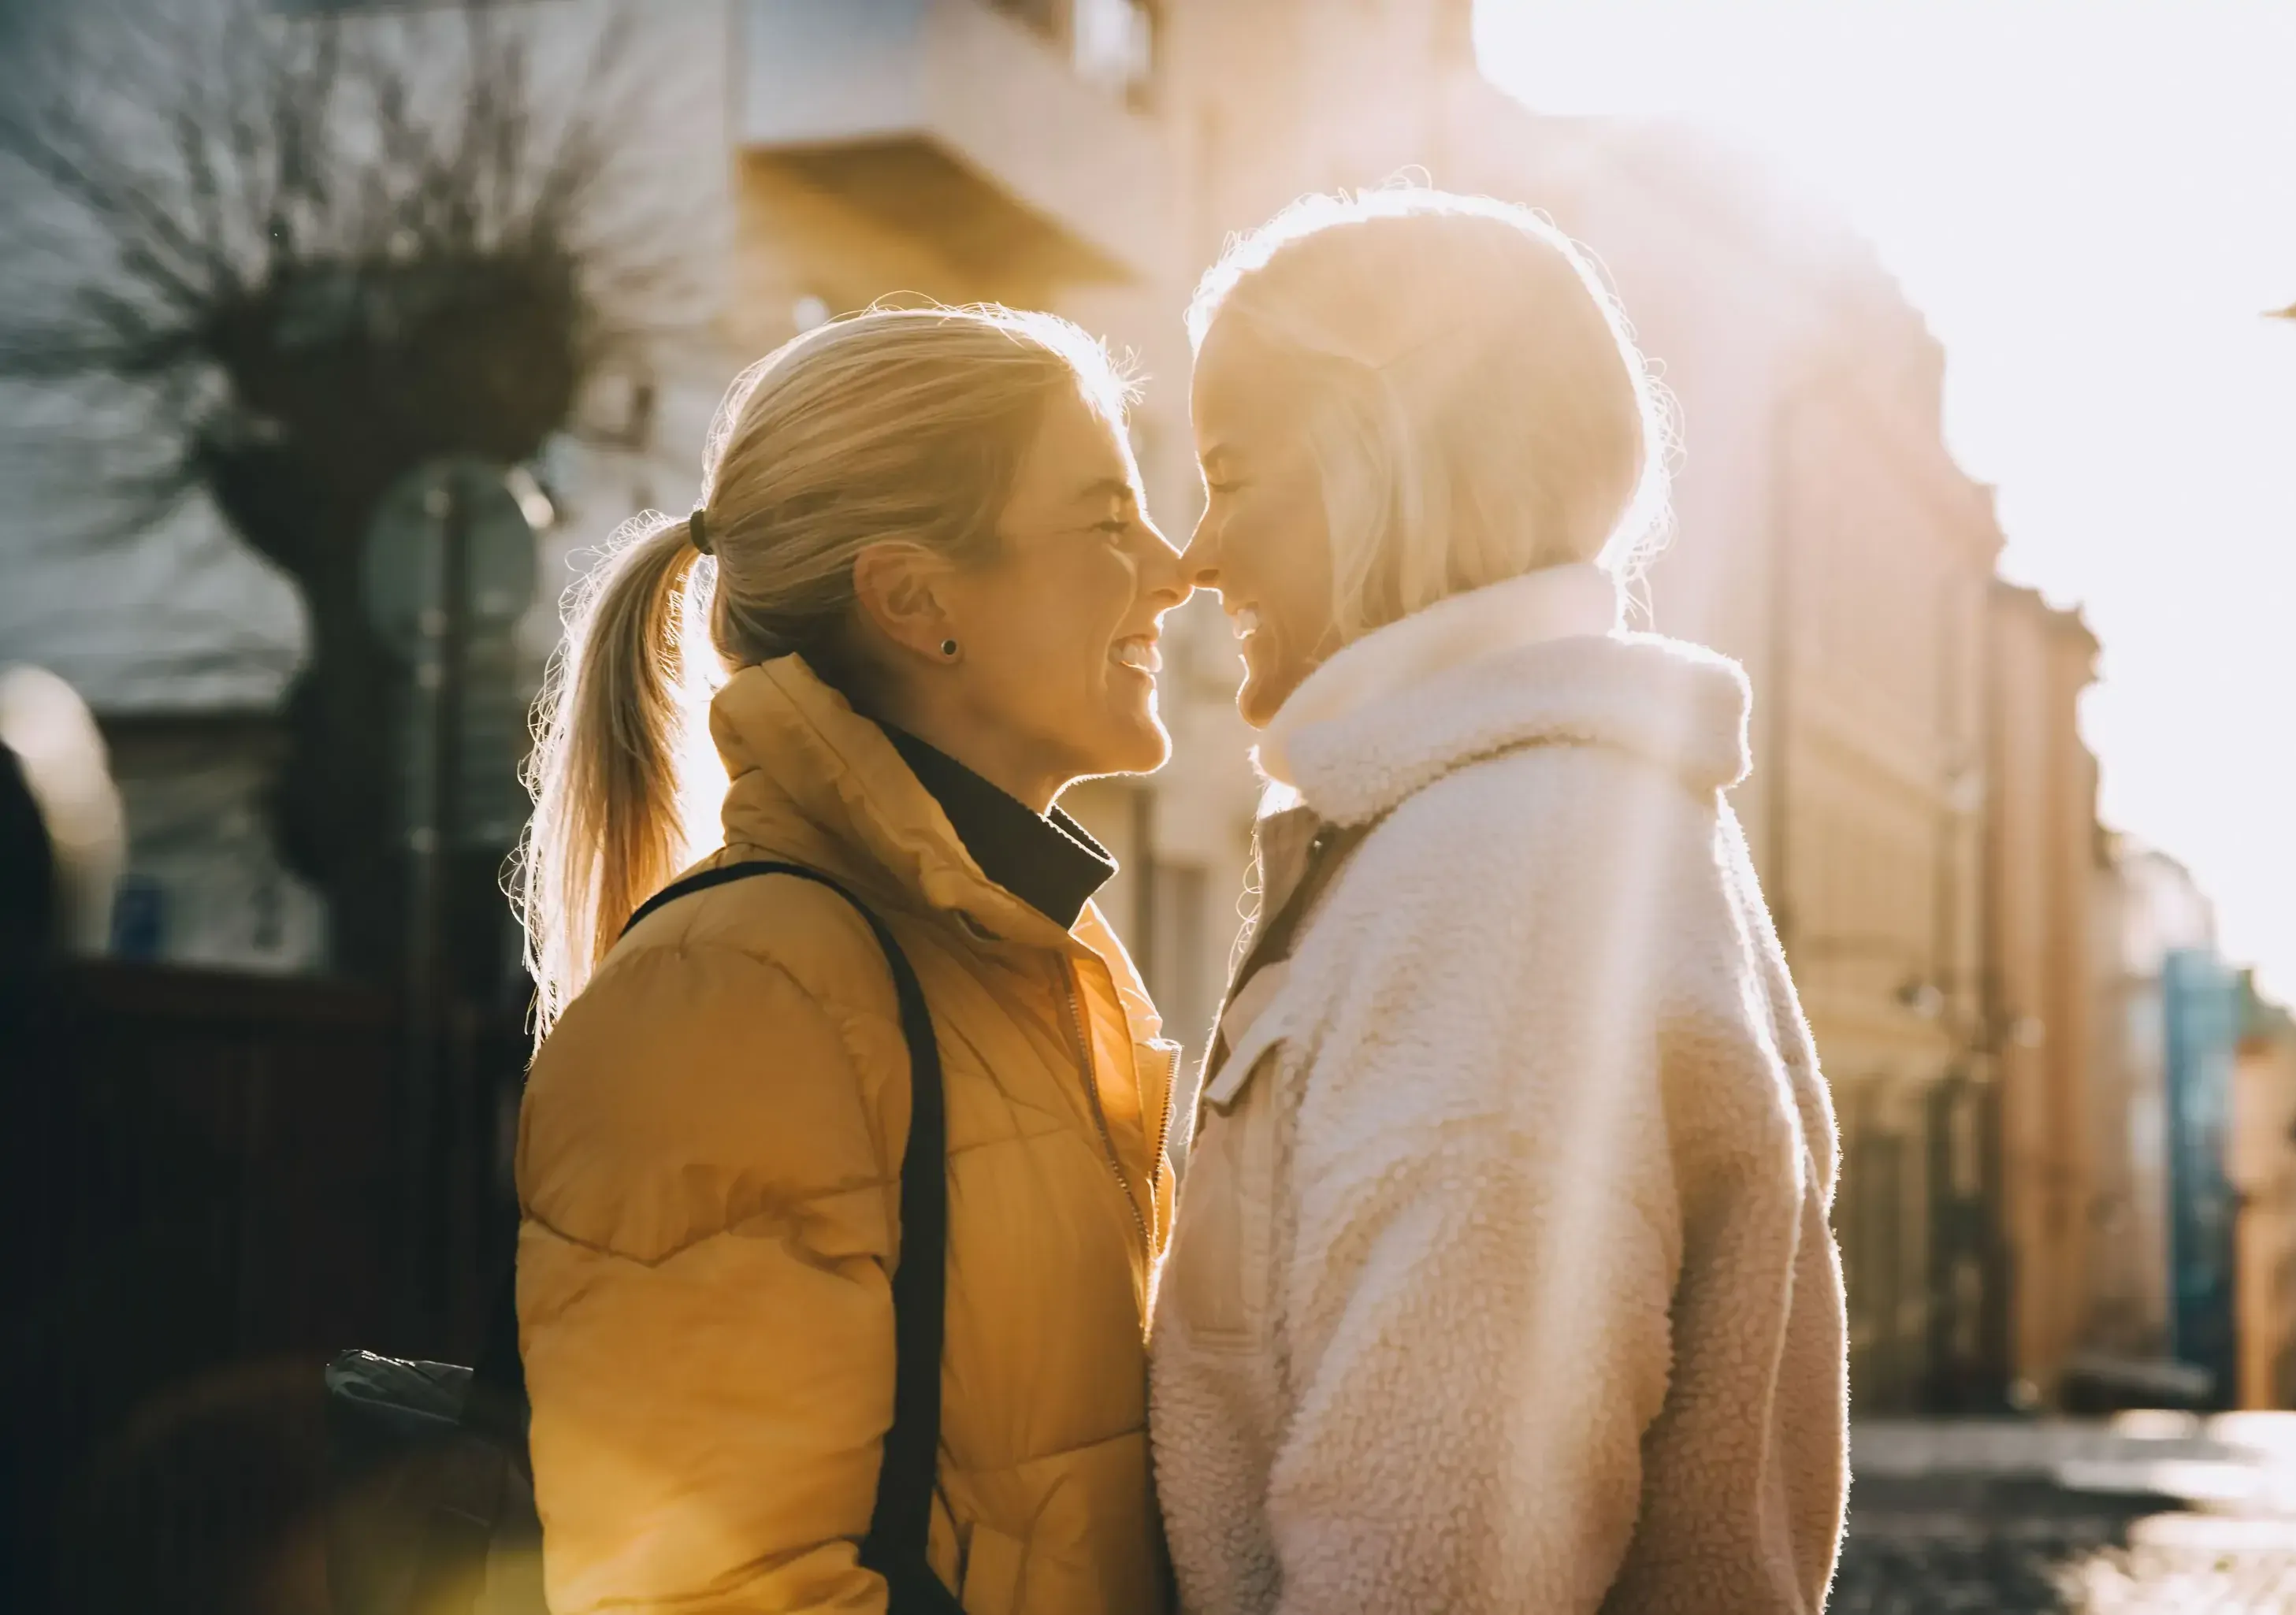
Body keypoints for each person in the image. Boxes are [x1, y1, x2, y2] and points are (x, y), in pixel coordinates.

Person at [1150, 188, 1849, 1613]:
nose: (1195, 554)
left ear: (1381, 465)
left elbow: (1429, 1550)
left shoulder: (1501, 882)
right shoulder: (1535, 823)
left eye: (1232, 475)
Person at [515, 305, 1192, 1615]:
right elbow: (706, 1592)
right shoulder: (745, 992)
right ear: (916, 600)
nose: (1177, 569)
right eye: (1110, 521)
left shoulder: (996, 955)